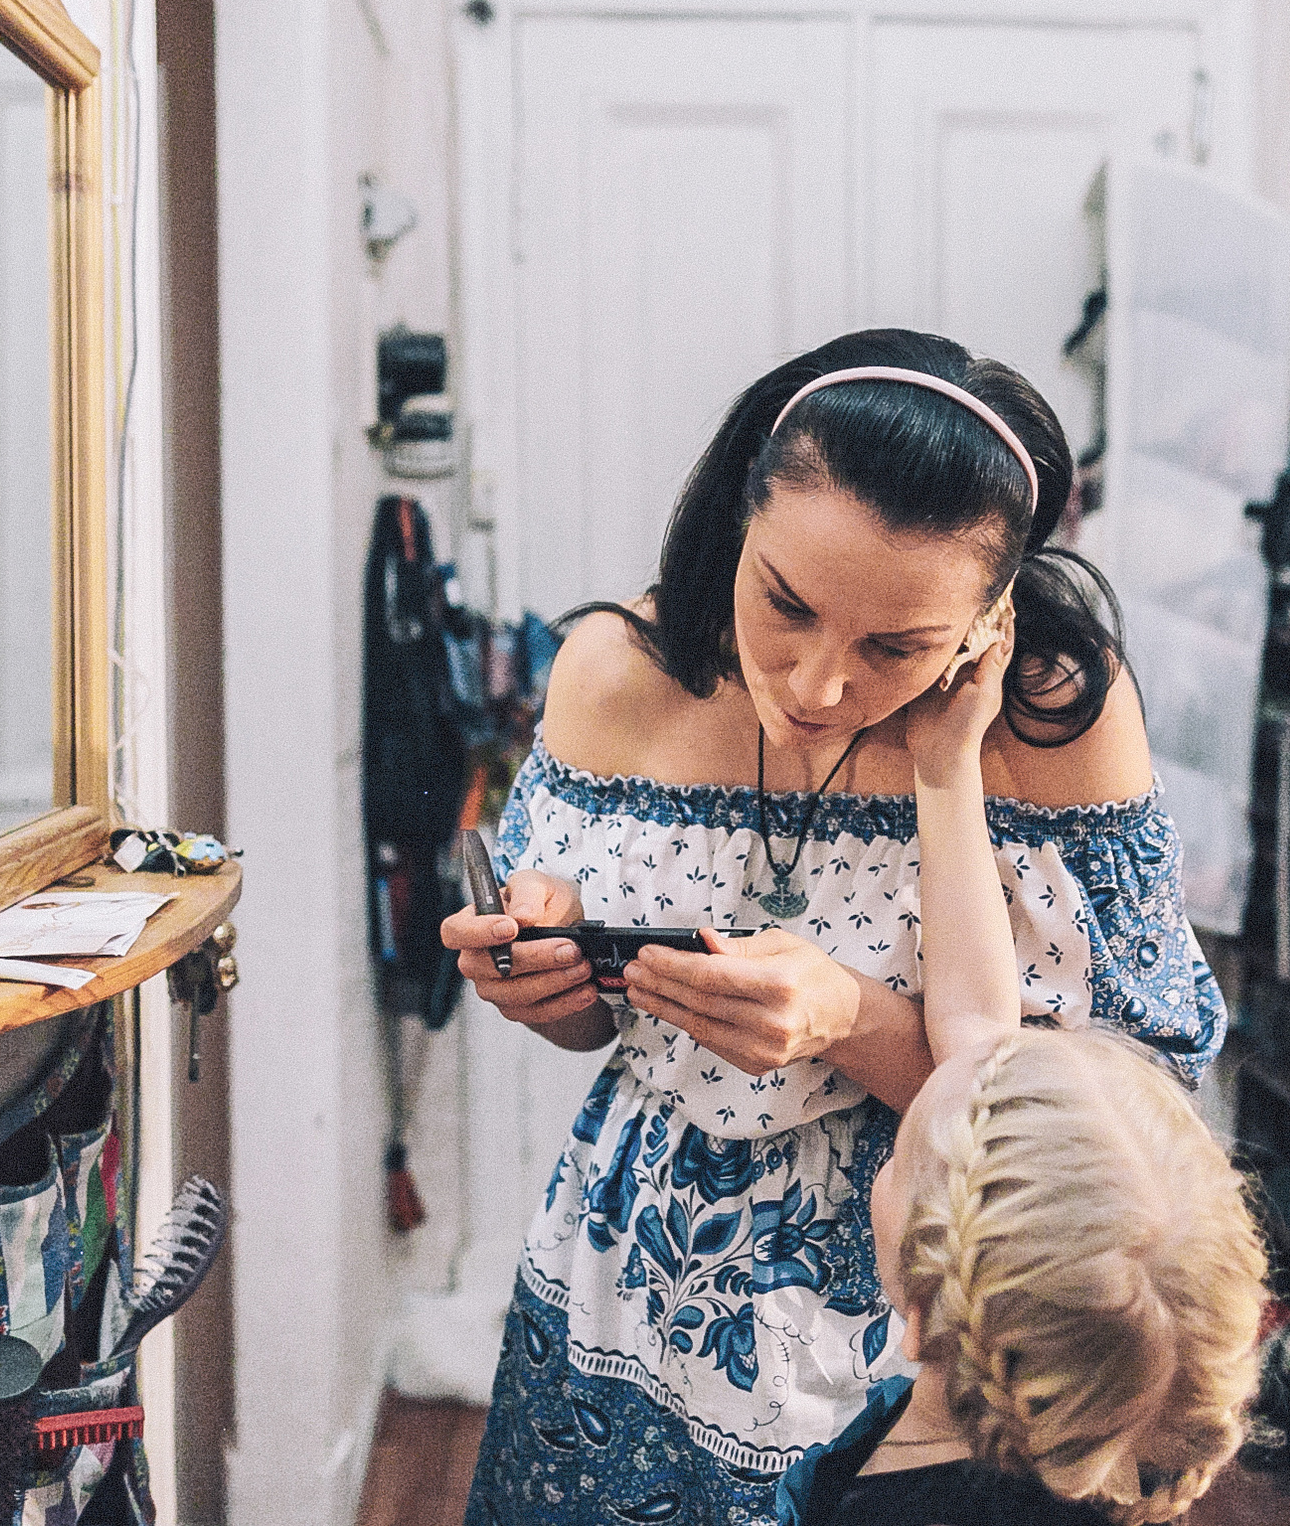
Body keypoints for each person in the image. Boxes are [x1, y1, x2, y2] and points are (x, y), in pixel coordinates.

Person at [439, 328, 1226, 1524]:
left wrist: (851, 1018)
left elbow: (1118, 1118)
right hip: (624, 1286)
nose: (814, 683)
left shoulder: (1052, 716)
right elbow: (595, 1028)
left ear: (990, 614)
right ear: (742, 520)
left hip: (931, 1310)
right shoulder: (611, 671)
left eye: (893, 645)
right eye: (785, 605)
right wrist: (551, 982)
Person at [775, 631, 1270, 1526]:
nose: (887, 1162)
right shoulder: (1087, 1444)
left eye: (895, 1165)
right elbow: (975, 1031)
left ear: (921, 1313)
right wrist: (945, 763)